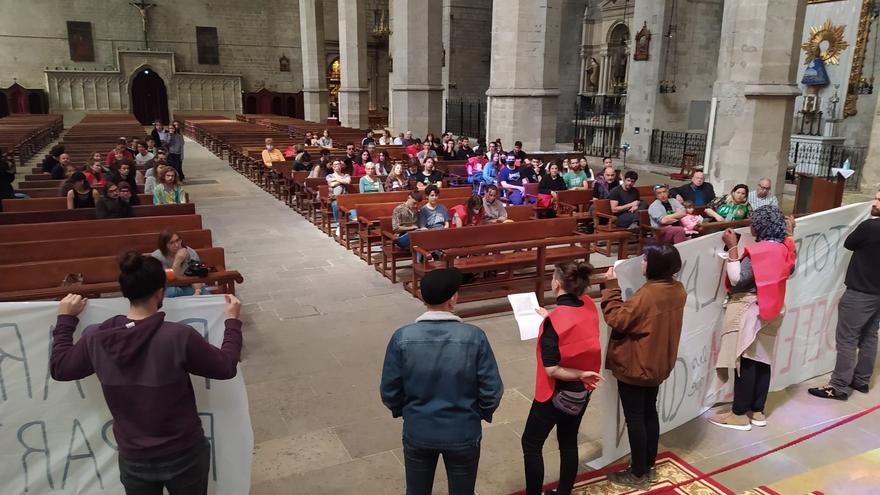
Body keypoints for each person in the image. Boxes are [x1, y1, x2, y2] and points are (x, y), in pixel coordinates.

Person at [50, 253, 241, 494]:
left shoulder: (96, 340)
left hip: (135, 456)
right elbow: (225, 367)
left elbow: (60, 368)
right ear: (160, 292)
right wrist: (232, 322)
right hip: (184, 451)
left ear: (126, 291)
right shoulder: (178, 336)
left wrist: (66, 319)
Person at [380, 268, 503, 495]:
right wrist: (476, 414)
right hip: (462, 431)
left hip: (419, 429)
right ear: (453, 298)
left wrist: (408, 412)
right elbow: (492, 390)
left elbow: (389, 389)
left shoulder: (402, 337)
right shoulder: (474, 337)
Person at [601, 244, 687, 489]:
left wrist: (610, 288)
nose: (641, 263)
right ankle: (647, 465)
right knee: (649, 413)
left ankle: (638, 474)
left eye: (646, 259)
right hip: (657, 363)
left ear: (655, 265)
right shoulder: (677, 289)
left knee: (635, 418)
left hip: (636, 364)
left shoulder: (649, 294)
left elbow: (618, 319)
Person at [710, 206, 796, 430]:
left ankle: (738, 414)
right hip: (774, 308)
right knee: (762, 360)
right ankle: (757, 411)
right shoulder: (784, 248)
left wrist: (732, 248)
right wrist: (790, 234)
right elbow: (791, 267)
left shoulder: (759, 251)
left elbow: (738, 278)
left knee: (746, 361)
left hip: (752, 308)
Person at [522, 262, 604, 495]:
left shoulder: (554, 323)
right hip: (582, 391)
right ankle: (564, 491)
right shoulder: (588, 305)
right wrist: (551, 316)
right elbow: (574, 330)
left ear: (556, 284)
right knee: (568, 440)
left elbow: (551, 369)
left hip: (556, 392)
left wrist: (550, 320)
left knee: (531, 443)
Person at [809, 190, 880, 400]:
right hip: (878, 294)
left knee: (847, 339)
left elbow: (849, 243)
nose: (874, 203)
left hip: (861, 292)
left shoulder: (870, 227)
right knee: (869, 335)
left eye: (879, 200)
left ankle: (839, 386)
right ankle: (862, 380)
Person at [151, 229, 208, 297]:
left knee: (205, 294)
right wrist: (178, 260)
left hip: (188, 286)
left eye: (178, 240)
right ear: (164, 245)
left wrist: (198, 291)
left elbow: (196, 276)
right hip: (168, 287)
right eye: (171, 243)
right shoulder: (157, 257)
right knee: (172, 292)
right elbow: (169, 280)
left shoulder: (190, 252)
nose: (177, 245)